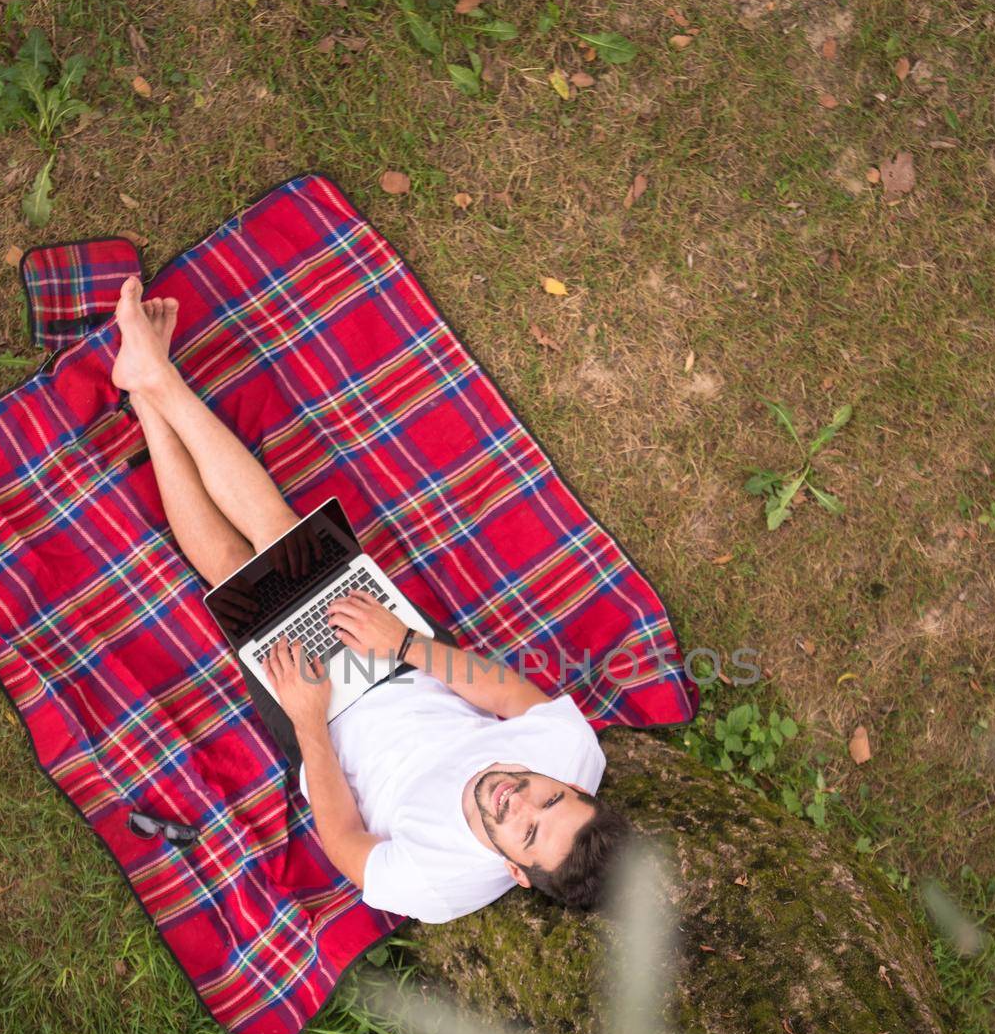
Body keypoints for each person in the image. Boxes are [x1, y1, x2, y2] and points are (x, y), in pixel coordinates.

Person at [109, 277, 631, 924]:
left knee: (232, 572)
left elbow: (343, 841)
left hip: (325, 725)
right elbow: (501, 694)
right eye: (550, 800)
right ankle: (151, 382)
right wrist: (405, 645)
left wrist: (307, 719)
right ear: (575, 787)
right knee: (280, 533)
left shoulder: (436, 888)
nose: (517, 801)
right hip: (405, 660)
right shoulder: (572, 751)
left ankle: (149, 389)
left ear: (515, 875)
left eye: (526, 832)